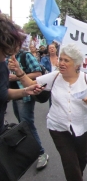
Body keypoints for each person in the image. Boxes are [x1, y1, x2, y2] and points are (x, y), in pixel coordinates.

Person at [9, 44, 87, 181]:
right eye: (61, 59)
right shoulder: (54, 77)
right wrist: (18, 71)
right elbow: (31, 83)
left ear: (76, 64)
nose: (61, 63)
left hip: (83, 126)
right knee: (69, 161)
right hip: (58, 127)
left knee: (81, 158)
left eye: (66, 60)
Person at [8, 39, 49, 170]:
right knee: (21, 124)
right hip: (14, 94)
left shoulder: (26, 56)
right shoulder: (6, 57)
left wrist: (18, 76)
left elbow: (38, 73)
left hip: (26, 95)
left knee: (27, 124)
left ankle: (41, 153)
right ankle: (29, 151)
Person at [0, 14, 43, 135]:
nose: (4, 57)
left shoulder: (3, 65)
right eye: (4, 52)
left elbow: (3, 92)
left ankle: (39, 152)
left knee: (26, 124)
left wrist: (25, 91)